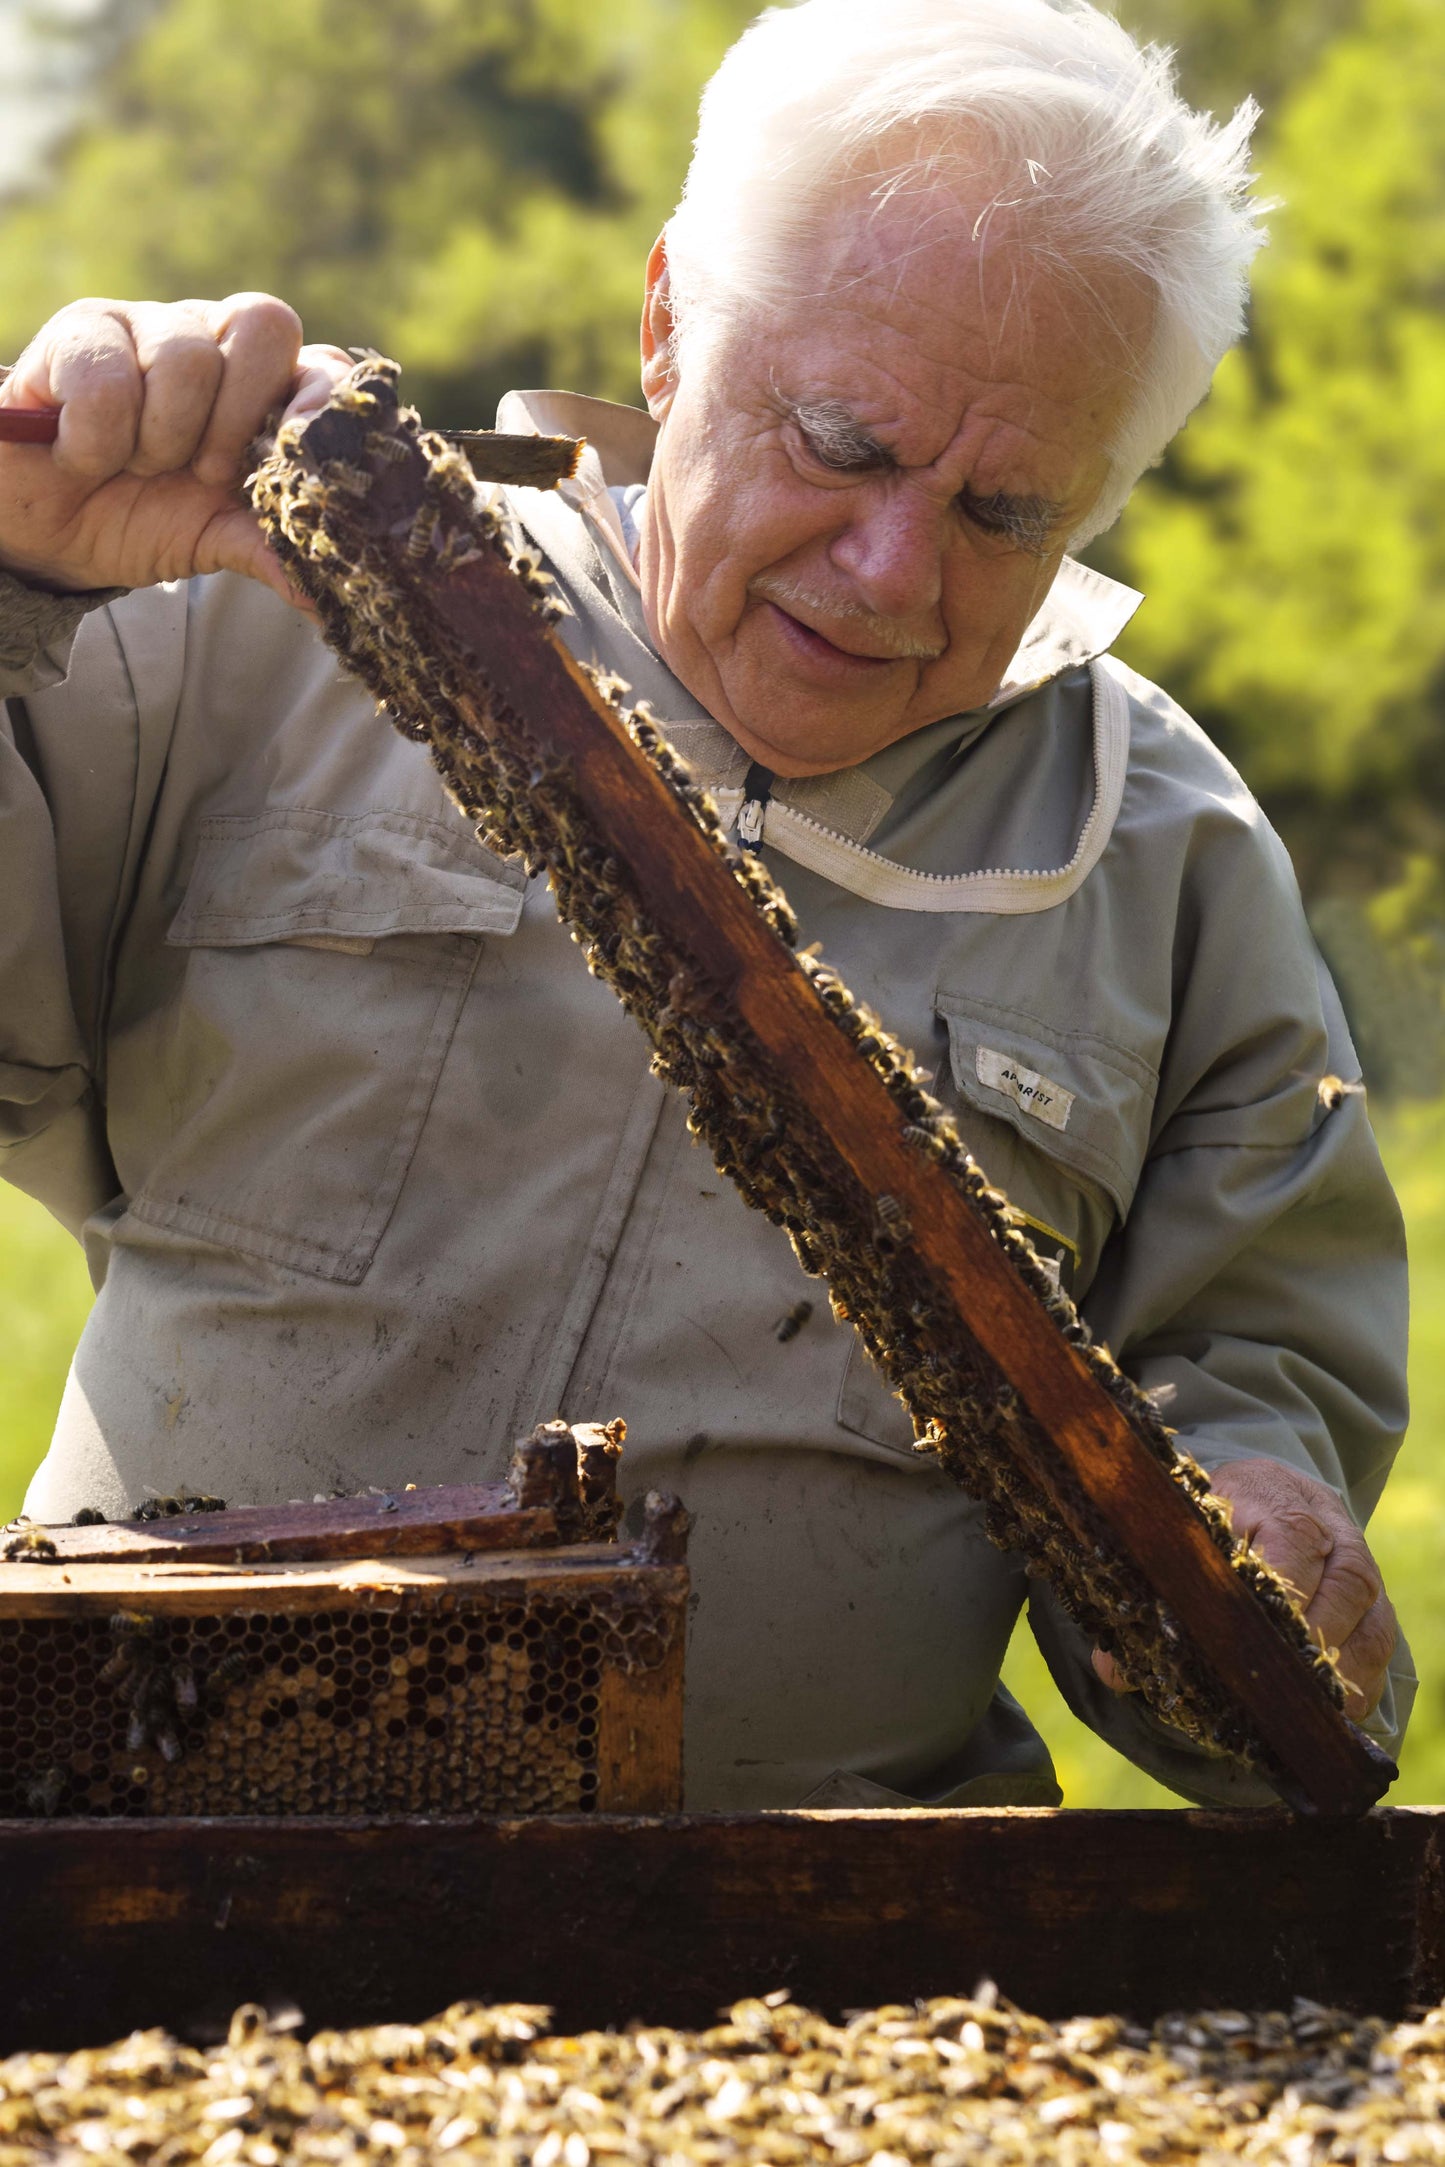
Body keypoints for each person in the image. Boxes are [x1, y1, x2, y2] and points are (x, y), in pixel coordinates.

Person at [0, 0, 1411, 1808]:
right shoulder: (255, 605)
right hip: (131, 1850)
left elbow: (1249, 1367)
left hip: (801, 1996)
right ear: (669, 321)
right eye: (838, 439)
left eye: (1002, 509)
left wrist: (1260, 1519)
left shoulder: (1164, 852)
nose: (893, 569)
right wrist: (18, 566)